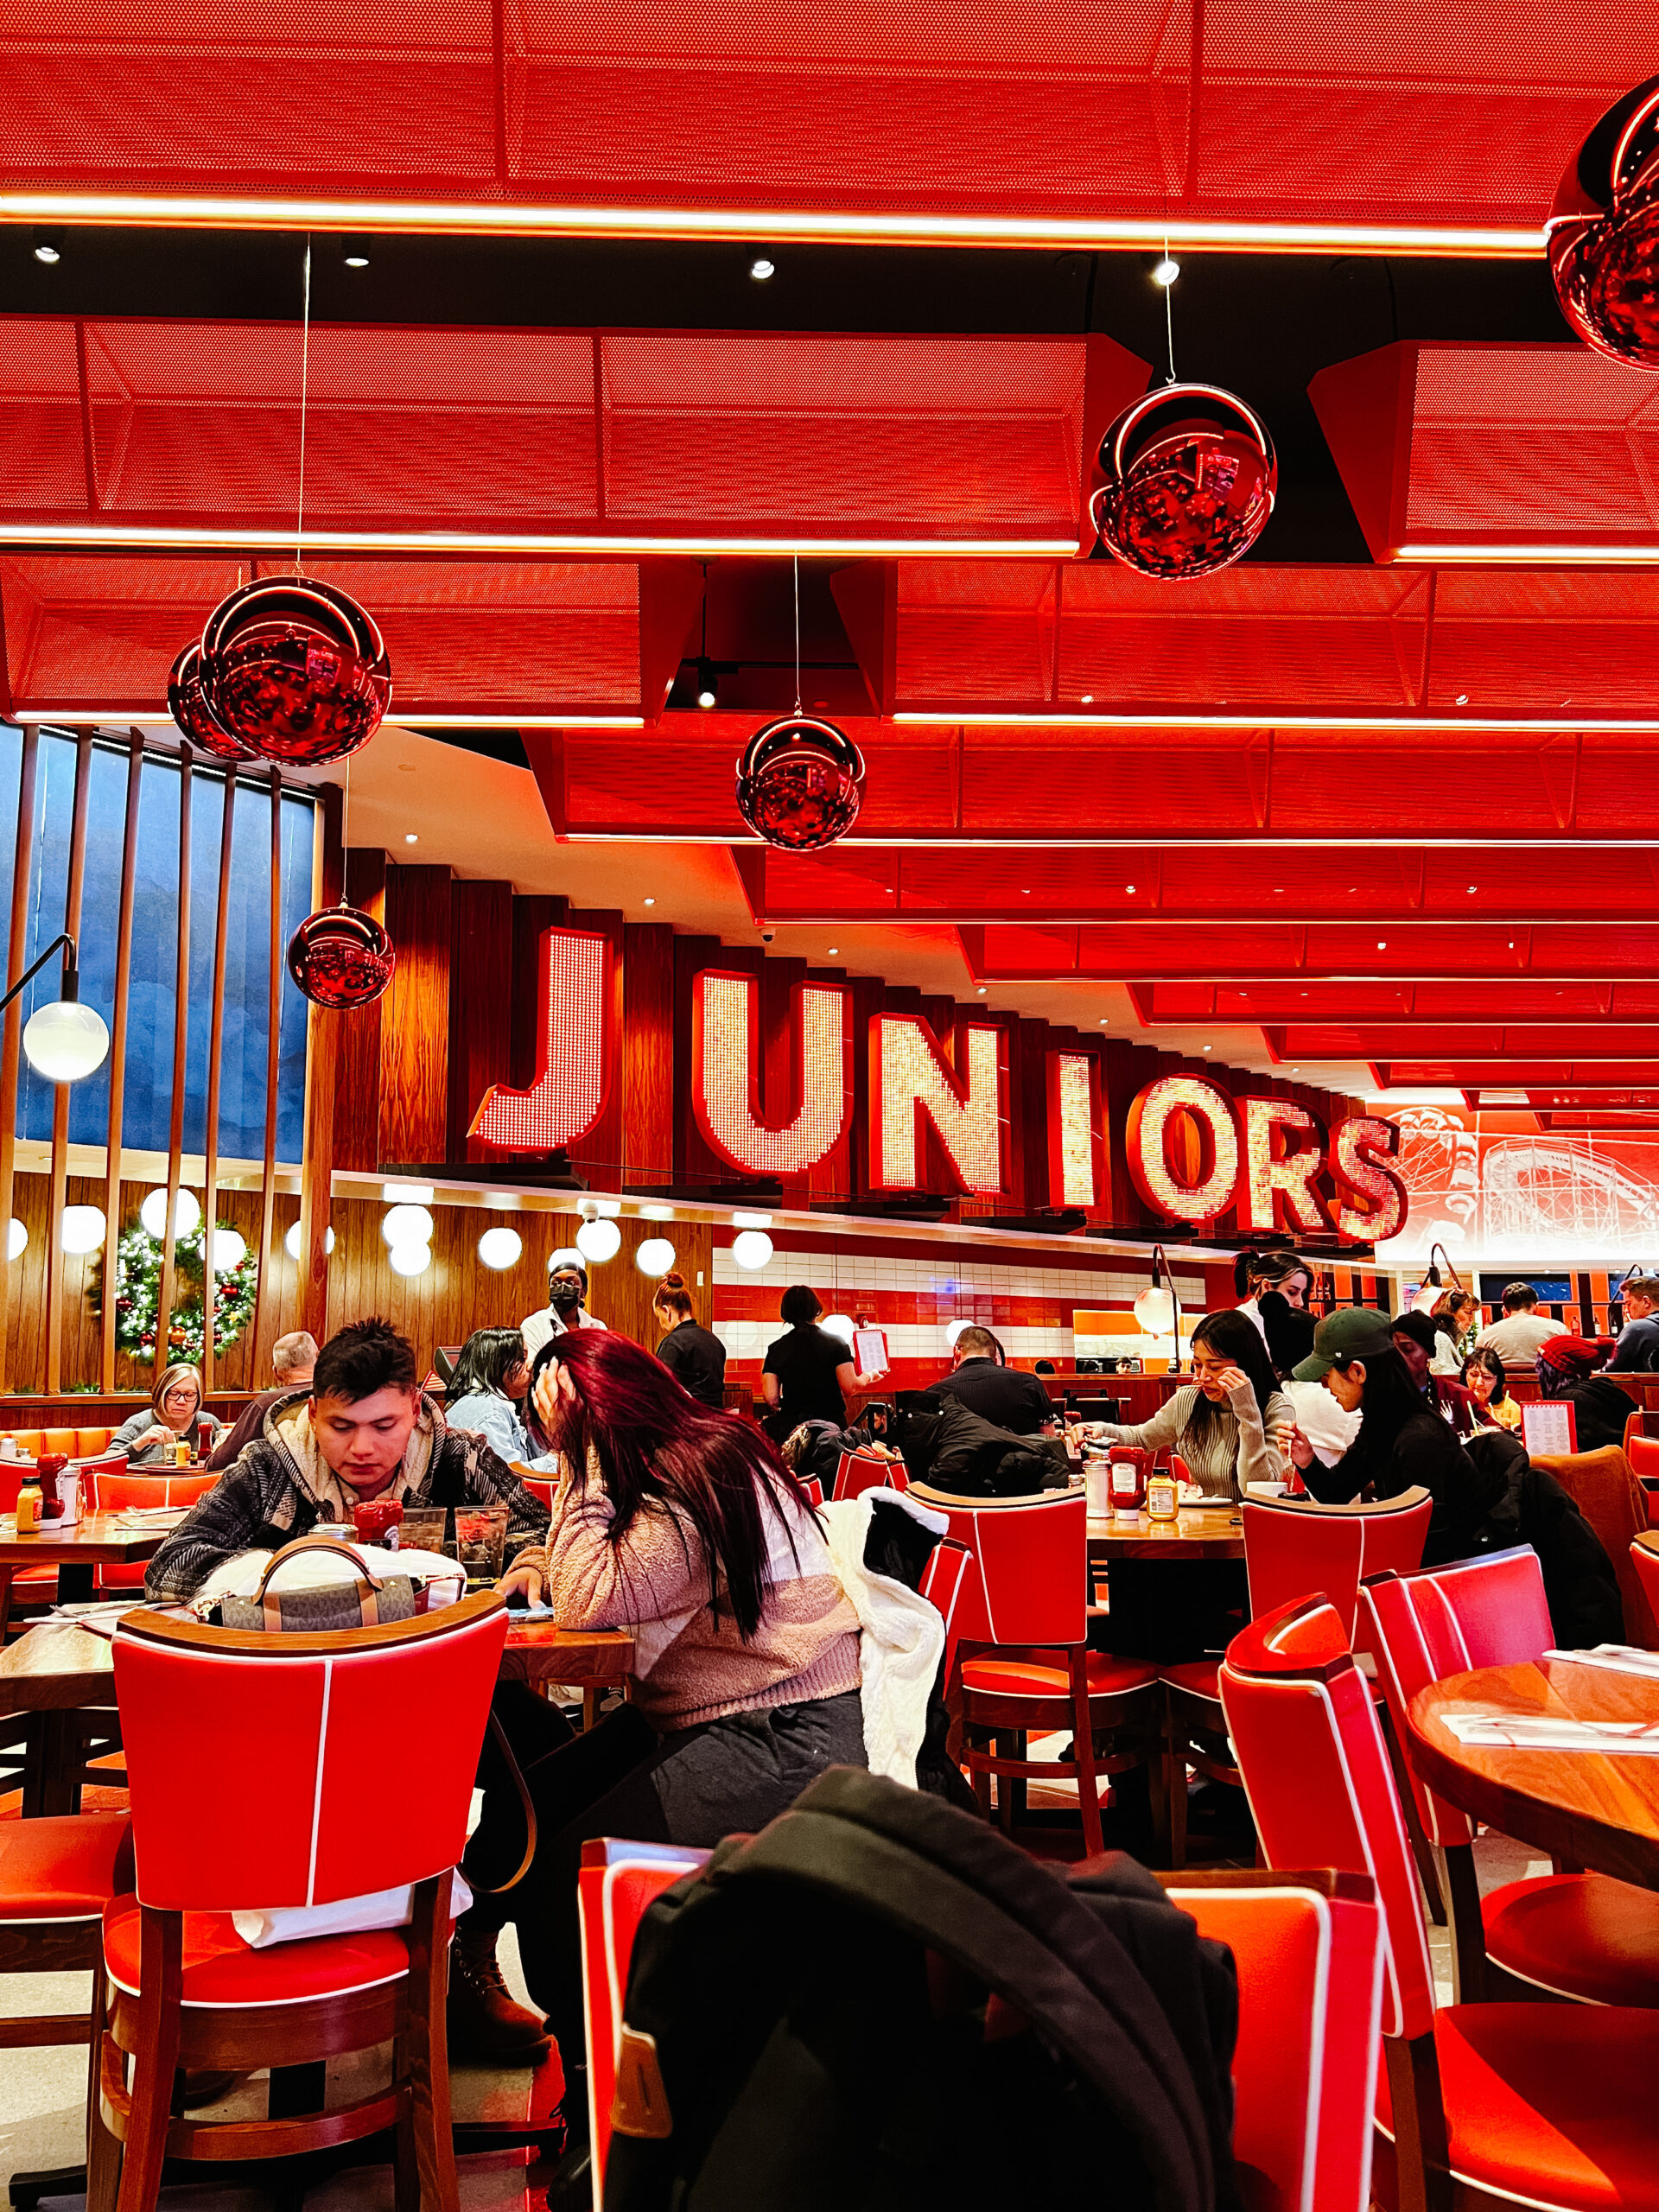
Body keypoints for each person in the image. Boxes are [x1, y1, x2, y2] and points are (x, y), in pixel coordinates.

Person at [143, 1319, 555, 2062]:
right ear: (312, 1413)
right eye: (341, 1426)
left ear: (415, 1409)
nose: (362, 1448)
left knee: (547, 1767)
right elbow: (173, 1565)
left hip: (436, 1697)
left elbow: (539, 1526)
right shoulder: (273, 1464)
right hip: (289, 1716)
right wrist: (300, 1574)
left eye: (383, 1426)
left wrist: (530, 1561)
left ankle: (465, 1953)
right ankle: (217, 1992)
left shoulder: (455, 1457)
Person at [470, 1329, 862, 2072]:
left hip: (789, 1728)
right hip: (711, 1709)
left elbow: (588, 1594)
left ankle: (608, 2089)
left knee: (570, 1884)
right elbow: (608, 1569)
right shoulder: (679, 1458)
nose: (551, 1436)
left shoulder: (698, 1475)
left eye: (560, 1421)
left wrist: (579, 1452)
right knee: (531, 1804)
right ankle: (465, 1973)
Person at [1289, 1309, 1479, 1558]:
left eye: (1326, 1376)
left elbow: (1431, 1543)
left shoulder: (1419, 1437)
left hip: (1453, 1580)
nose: (1326, 1386)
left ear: (1358, 1372)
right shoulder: (1383, 1424)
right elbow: (1336, 1492)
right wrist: (1307, 1459)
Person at [1088, 1309, 1294, 1503]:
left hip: (1253, 1526)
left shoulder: (1277, 1408)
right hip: (1201, 1522)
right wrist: (1098, 1430)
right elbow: (1142, 1438)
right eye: (1197, 1365)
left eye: (1214, 1367)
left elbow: (1258, 1491)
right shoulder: (1188, 1400)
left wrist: (1247, 1413)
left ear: (1246, 1364)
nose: (1202, 1377)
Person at [206, 1330, 319, 1470]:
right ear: (319, 1358)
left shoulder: (265, 1404)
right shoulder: (334, 1396)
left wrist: (216, 1452)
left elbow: (220, 1464)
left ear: (276, 1372)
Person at [445, 1325, 554, 1469]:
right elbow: (510, 1477)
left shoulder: (490, 1402)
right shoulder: (487, 1411)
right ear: (496, 1364)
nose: (529, 1366)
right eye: (522, 1358)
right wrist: (559, 1461)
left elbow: (529, 1455)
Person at [760, 1285, 857, 1435]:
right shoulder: (836, 1343)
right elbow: (850, 1387)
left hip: (793, 1430)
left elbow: (771, 1397)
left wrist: (795, 1404)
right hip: (830, 1429)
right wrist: (869, 1376)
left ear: (786, 1312)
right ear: (815, 1309)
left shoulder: (776, 1348)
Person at [927, 1325, 1056, 1435]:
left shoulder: (935, 1394)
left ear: (956, 1352)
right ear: (994, 1356)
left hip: (962, 1465)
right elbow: (1049, 1442)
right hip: (1023, 1463)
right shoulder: (1030, 1384)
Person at [112, 1363, 226, 1465]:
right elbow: (105, 1464)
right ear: (161, 1393)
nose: (181, 1401)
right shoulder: (139, 1423)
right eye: (173, 1393)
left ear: (199, 1397)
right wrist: (139, 1443)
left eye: (190, 1395)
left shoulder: (209, 1423)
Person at [1390, 1312, 1479, 1437]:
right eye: (1394, 1350)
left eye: (1408, 1349)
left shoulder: (1458, 1396)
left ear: (1429, 1354)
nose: (1399, 1357)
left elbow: (1491, 1433)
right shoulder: (1382, 1397)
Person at [1231, 1248, 1316, 1375]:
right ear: (1266, 1286)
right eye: (1292, 1292)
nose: (1300, 1302)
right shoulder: (1238, 1324)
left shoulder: (1298, 1324)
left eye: (1302, 1294)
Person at [651, 1272, 728, 1409]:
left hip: (689, 1421)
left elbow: (660, 1392)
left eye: (659, 1317)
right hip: (717, 1420)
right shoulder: (714, 1341)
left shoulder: (672, 1343)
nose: (662, 1325)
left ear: (666, 1311)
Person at [521, 1255, 609, 1361]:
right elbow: (534, 1367)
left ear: (583, 1292)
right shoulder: (534, 1325)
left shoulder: (598, 1327)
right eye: (556, 1283)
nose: (562, 1287)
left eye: (571, 1282)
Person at [1477, 1282, 1567, 1364]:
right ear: (1536, 1306)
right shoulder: (1558, 1328)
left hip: (1501, 1382)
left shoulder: (1485, 1336)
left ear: (1505, 1309)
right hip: (1547, 1382)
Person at [1461, 1346, 1522, 1433]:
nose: (1479, 1383)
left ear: (1497, 1381)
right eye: (1473, 1375)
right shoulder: (1454, 1404)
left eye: (1487, 1377)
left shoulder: (1510, 1409)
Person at [1610, 1274, 1659, 1371]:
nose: (1627, 1310)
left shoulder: (1639, 1328)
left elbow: (1611, 1372)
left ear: (1646, 1302)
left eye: (1629, 1304)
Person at [1429, 1292, 1480, 1374]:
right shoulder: (1440, 1337)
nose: (1471, 1319)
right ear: (1450, 1311)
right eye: (1468, 1312)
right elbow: (1440, 1371)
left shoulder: (1448, 1339)